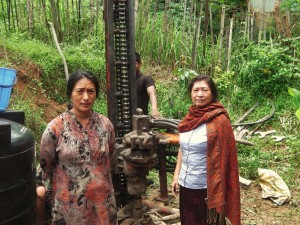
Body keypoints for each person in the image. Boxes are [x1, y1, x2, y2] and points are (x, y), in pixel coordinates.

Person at [39, 70, 117, 225]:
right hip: (69, 207)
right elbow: (46, 164)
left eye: (91, 91)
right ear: (70, 94)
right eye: (80, 91)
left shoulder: (105, 125)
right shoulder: (55, 128)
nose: (86, 97)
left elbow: (110, 152)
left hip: (102, 204)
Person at [171, 75, 241, 225]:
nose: (200, 94)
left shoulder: (220, 120)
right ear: (190, 93)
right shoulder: (190, 118)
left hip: (207, 187)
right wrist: (176, 175)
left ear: (213, 93)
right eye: (196, 90)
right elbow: (183, 148)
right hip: (186, 183)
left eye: (204, 90)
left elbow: (228, 158)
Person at [135, 52, 161, 119]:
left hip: (141, 118)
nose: (134, 66)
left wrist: (154, 109)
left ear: (140, 63)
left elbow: (152, 93)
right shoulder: (125, 80)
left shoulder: (146, 78)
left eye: (135, 64)